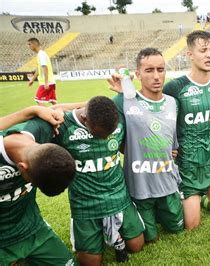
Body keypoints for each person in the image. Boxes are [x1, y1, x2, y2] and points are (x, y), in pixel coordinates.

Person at [22, 96, 145, 265]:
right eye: (100, 134)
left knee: (137, 246)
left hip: (118, 196)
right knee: (90, 263)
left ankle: (114, 234)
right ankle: (101, 233)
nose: (105, 139)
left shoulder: (115, 113)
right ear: (85, 119)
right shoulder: (62, 125)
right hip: (85, 204)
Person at [108, 48, 184, 243]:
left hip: (167, 182)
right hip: (140, 186)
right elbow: (114, 139)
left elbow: (172, 140)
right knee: (151, 238)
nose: (157, 76)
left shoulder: (173, 103)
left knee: (178, 229)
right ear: (138, 74)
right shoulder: (124, 101)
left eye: (161, 69)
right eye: (149, 70)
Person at [163, 30, 210, 230]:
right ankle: (181, 194)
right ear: (190, 55)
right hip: (188, 164)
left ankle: (203, 198)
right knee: (191, 225)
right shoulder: (176, 87)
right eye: (203, 50)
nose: (209, 54)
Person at [0, 108, 76, 265]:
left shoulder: (41, 130)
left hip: (32, 228)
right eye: (33, 183)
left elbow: (59, 111)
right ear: (22, 167)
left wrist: (36, 110)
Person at [27, 38, 56, 106]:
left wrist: (46, 82)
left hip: (47, 82)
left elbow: (45, 68)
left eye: (29, 44)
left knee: (38, 100)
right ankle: (61, 114)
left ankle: (46, 115)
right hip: (50, 82)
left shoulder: (41, 54)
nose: (28, 46)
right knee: (53, 101)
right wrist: (33, 80)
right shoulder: (41, 54)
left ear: (34, 44)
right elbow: (39, 68)